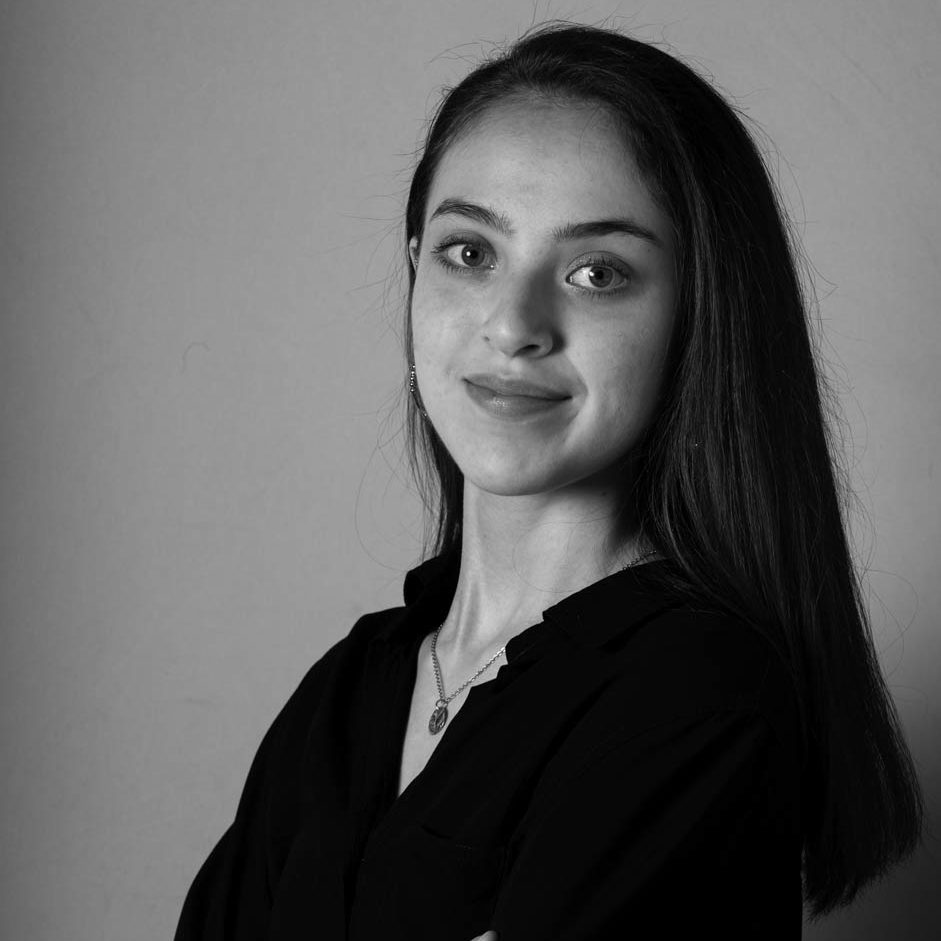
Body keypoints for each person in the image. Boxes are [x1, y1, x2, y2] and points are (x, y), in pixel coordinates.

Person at [173, 21, 924, 940]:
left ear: (698, 314)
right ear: (414, 269)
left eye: (596, 272)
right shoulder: (345, 692)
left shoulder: (698, 694)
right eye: (470, 252)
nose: (512, 324)